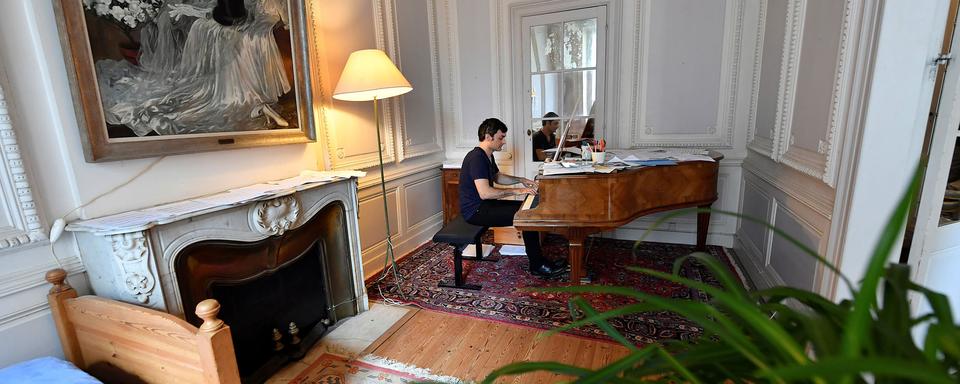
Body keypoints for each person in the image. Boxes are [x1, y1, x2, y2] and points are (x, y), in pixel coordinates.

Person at [97, 0, 291, 136]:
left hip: (252, 32)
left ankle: (253, 101)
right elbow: (229, 16)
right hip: (241, 28)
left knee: (219, 34)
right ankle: (252, 102)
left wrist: (193, 12)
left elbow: (240, 19)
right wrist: (191, 11)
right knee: (208, 31)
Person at [460, 118, 567, 278]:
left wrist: (521, 179)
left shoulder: (487, 155)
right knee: (526, 216)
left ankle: (538, 261)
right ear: (488, 137)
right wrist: (518, 190)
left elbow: (497, 177)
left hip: (484, 205)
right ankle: (537, 265)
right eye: (500, 138)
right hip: (475, 211)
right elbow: (485, 193)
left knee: (527, 212)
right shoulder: (476, 158)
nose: (503, 142)